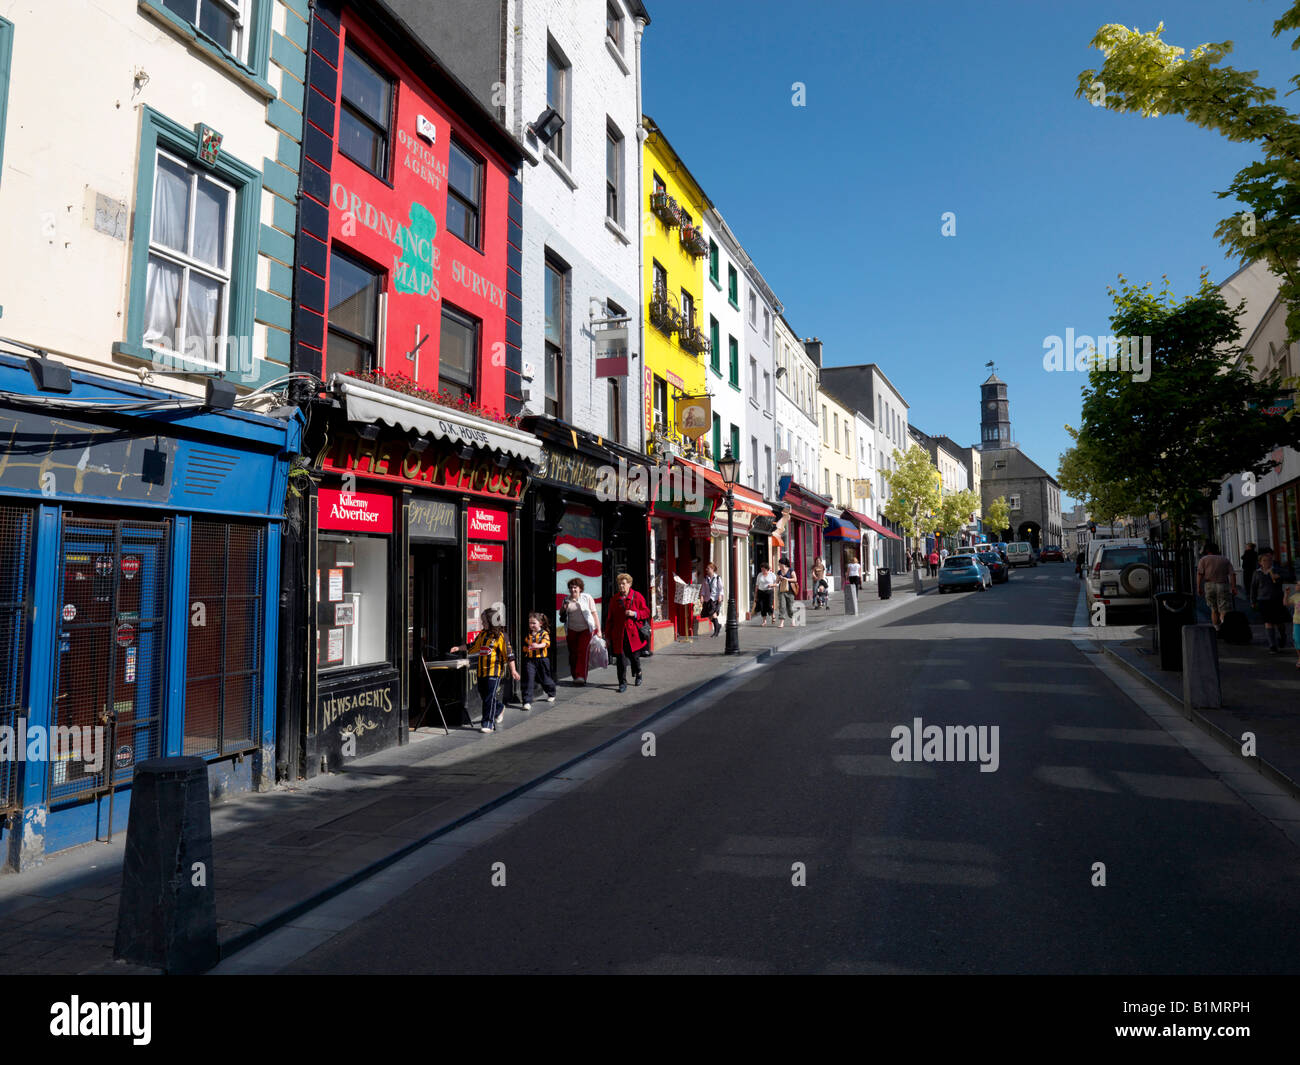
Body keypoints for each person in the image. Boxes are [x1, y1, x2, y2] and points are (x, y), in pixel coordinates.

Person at [449, 610, 519, 733]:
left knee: (490, 697)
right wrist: (459, 648)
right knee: (484, 696)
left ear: (492, 622)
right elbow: (473, 646)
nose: (482, 623)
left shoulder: (502, 636)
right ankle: (499, 708)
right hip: (481, 671)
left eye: (484, 621)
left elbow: (510, 655)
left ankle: (488, 723)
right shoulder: (482, 634)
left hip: (494, 671)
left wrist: (513, 670)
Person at [606, 572, 648, 692]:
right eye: (619, 584)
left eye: (624, 584)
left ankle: (638, 673)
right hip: (619, 635)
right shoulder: (615, 599)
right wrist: (608, 637)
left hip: (633, 634)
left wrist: (634, 613)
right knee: (621, 660)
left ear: (629, 584)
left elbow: (646, 612)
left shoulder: (637, 596)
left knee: (635, 658)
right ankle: (622, 682)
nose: (621, 586)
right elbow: (610, 619)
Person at [561, 578, 601, 686]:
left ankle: (581, 676)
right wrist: (564, 608)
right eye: (571, 587)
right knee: (573, 654)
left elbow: (594, 614)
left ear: (580, 588)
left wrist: (599, 630)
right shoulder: (566, 599)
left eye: (575, 587)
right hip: (571, 630)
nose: (573, 589)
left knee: (582, 652)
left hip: (585, 630)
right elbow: (562, 615)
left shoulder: (587, 598)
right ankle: (575, 675)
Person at [1250, 548, 1288, 653]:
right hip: (1263, 600)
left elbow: (1286, 577)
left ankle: (1282, 635)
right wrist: (1253, 601)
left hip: (1276, 600)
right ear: (1260, 562)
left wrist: (1276, 576)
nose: (1267, 562)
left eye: (1269, 560)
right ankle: (1272, 645)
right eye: (1265, 561)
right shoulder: (1257, 573)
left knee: (1279, 622)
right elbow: (1253, 587)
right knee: (1268, 622)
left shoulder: (1277, 570)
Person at [1196, 541, 1237, 631]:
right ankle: (1224, 627)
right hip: (1223, 585)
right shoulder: (1224, 559)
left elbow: (1200, 574)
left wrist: (1198, 587)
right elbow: (1232, 574)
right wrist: (1233, 587)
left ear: (1207, 550)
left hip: (1209, 585)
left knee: (1213, 609)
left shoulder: (1203, 560)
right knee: (1224, 608)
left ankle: (1217, 629)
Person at [521, 612, 557, 710]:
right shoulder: (528, 635)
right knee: (529, 679)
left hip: (542, 660)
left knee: (545, 678)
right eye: (530, 623)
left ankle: (551, 692)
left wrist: (537, 646)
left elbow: (546, 644)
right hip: (530, 660)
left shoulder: (544, 633)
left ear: (540, 623)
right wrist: (526, 649)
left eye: (534, 623)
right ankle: (527, 701)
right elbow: (524, 646)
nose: (531, 625)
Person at [700, 561, 724, 638]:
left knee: (713, 613)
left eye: (708, 568)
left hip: (715, 598)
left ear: (712, 569)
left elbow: (721, 588)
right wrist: (702, 596)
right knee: (709, 616)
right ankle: (718, 626)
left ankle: (716, 632)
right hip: (708, 598)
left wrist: (720, 596)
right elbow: (703, 588)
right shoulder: (705, 578)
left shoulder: (717, 578)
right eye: (707, 568)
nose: (707, 569)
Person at [775, 556, 798, 627]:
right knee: (782, 606)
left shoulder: (791, 570)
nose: (779, 565)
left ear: (784, 564)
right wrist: (778, 579)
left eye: (780, 564)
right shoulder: (779, 572)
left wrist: (786, 579)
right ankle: (781, 622)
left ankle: (793, 620)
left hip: (790, 591)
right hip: (781, 591)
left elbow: (795, 579)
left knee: (790, 607)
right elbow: (777, 582)